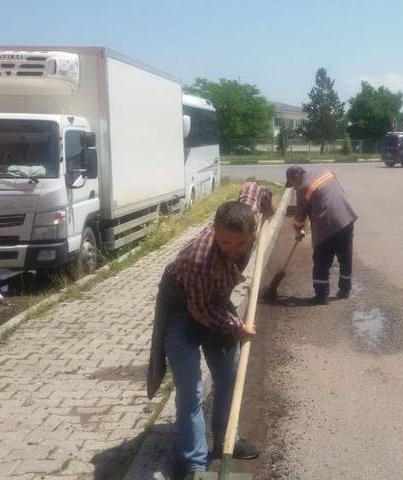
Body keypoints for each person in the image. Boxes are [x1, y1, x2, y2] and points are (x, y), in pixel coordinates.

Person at [146, 182, 274, 479]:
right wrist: (237, 326)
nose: (232, 250)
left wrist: (270, 206)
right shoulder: (198, 258)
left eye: (240, 244)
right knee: (190, 391)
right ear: (215, 230)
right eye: (225, 243)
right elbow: (200, 311)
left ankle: (228, 440)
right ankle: (194, 463)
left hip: (213, 302)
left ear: (251, 231)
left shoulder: (245, 216)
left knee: (229, 376)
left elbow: (255, 189)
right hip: (183, 310)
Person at [285, 166, 358, 305]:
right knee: (345, 257)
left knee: (322, 261)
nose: (294, 188)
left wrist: (298, 231)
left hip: (327, 225)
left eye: (292, 184)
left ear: (295, 178)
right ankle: (345, 290)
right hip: (347, 218)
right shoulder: (325, 172)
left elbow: (299, 219)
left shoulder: (302, 188)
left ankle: (321, 295)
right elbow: (325, 195)